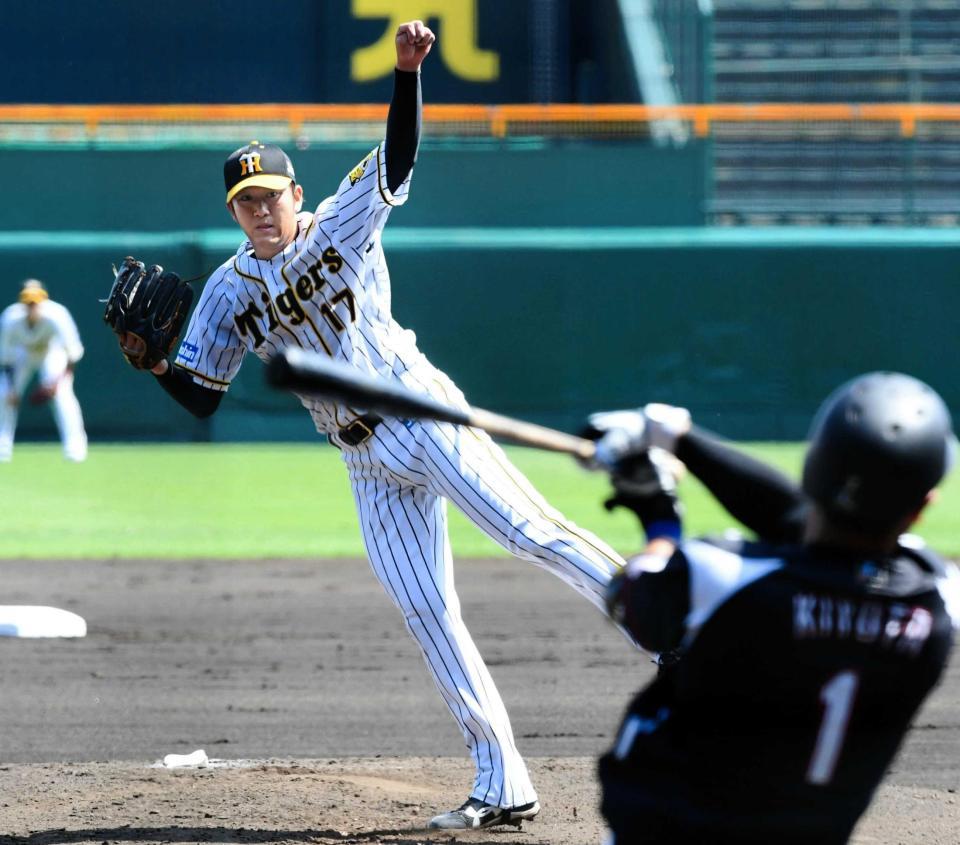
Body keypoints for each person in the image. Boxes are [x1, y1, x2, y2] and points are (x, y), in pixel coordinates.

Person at [110, 21, 627, 830]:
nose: (258, 212)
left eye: (269, 196)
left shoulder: (340, 223)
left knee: (529, 531)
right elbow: (205, 395)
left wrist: (406, 75)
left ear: (296, 195)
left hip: (420, 409)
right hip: (360, 456)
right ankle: (503, 781)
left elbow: (396, 159)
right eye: (244, 203)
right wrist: (157, 369)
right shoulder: (226, 289)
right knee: (427, 609)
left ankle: (670, 625)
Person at [583, 372, 959, 844]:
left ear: (811, 468)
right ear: (923, 506)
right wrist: (677, 438)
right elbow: (808, 526)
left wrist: (658, 514)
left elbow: (631, 600)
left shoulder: (715, 575)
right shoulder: (939, 600)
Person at [0, 279, 87, 462]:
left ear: (43, 300)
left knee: (63, 395)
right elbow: (6, 356)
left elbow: (73, 352)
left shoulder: (57, 315)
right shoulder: (10, 318)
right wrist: (12, 388)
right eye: (28, 302)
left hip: (50, 351)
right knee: (4, 394)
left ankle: (75, 448)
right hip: (22, 354)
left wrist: (58, 382)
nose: (32, 306)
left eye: (36, 302)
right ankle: (2, 446)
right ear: (22, 302)